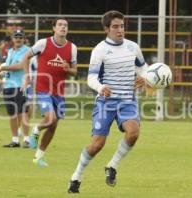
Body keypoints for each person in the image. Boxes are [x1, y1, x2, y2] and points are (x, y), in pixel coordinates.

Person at [68, 10, 148, 193]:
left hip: (127, 100)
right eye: (115, 27)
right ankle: (76, 176)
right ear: (106, 29)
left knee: (133, 132)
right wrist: (100, 88)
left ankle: (112, 166)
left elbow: (143, 68)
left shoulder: (133, 47)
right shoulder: (100, 50)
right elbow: (91, 78)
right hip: (105, 102)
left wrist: (144, 78)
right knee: (97, 144)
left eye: (122, 26)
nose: (120, 30)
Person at [14, 18, 77, 166]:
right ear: (54, 28)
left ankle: (38, 157)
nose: (63, 27)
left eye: (66, 25)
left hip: (59, 92)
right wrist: (27, 77)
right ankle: (36, 129)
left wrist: (68, 69)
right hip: (43, 89)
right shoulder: (43, 43)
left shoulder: (72, 48)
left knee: (53, 126)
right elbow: (26, 57)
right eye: (60, 25)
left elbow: (75, 72)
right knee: (51, 118)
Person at [0, 29, 30, 148]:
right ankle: (15, 140)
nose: (18, 39)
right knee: (12, 114)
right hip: (8, 86)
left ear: (24, 39)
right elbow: (7, 67)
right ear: (12, 39)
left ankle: (27, 139)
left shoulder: (27, 51)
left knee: (22, 113)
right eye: (16, 37)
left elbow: (19, 66)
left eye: (20, 37)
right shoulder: (10, 51)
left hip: (20, 85)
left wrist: (2, 69)